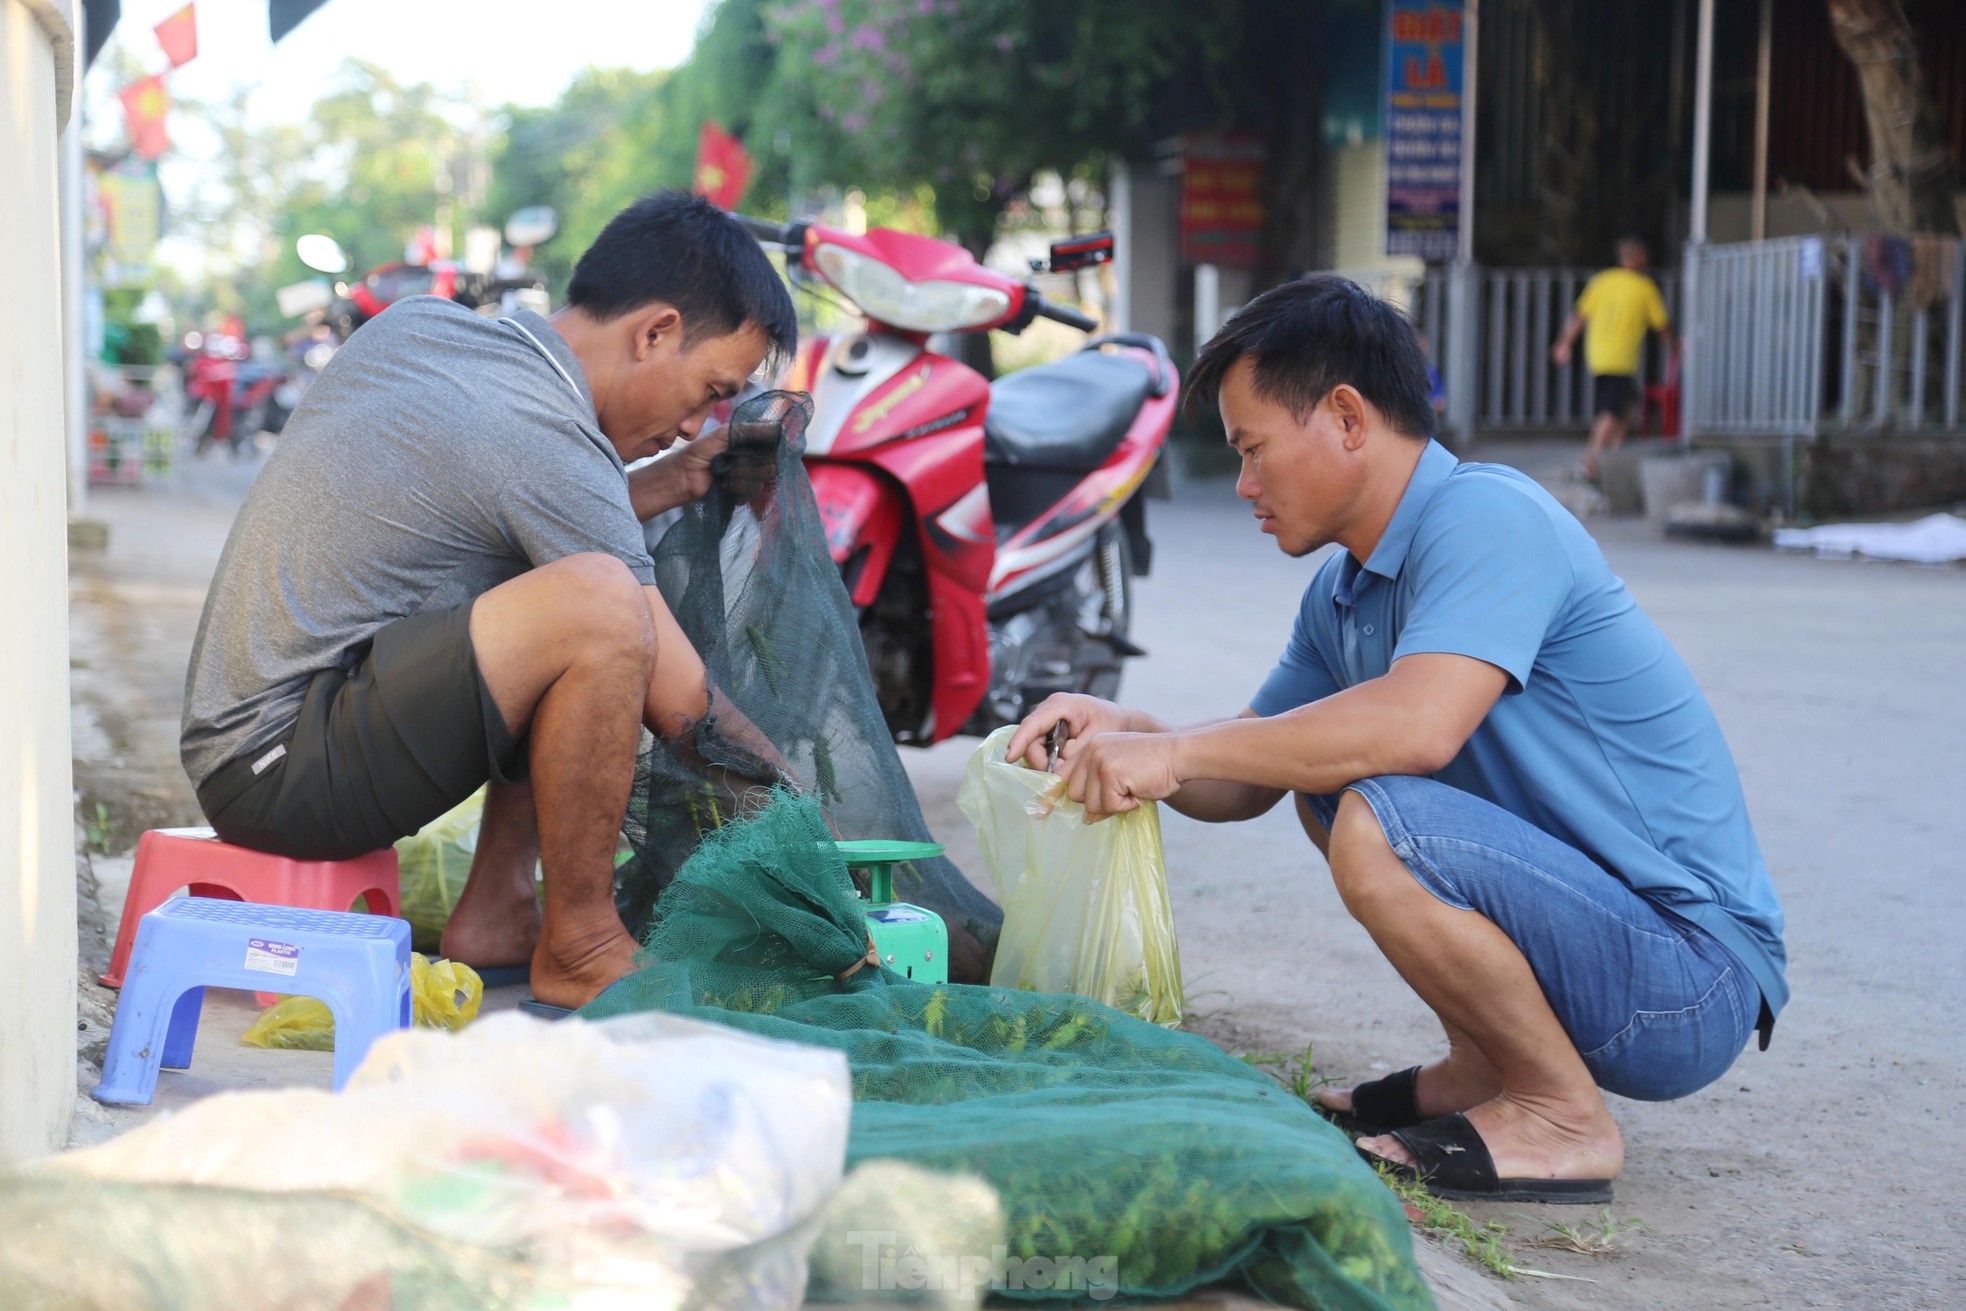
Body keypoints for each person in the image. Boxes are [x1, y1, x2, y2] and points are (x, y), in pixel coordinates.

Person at [1004, 275, 1786, 1202]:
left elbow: (1417, 724)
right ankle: (1489, 1068)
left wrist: (1173, 752)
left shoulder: (1489, 516)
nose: (1245, 486)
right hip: (1606, 939)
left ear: (1345, 416)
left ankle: (1561, 1115)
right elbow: (1254, 764)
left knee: (1378, 813)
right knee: (1324, 785)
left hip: (1691, 973)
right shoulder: (1343, 592)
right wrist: (1133, 731)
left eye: (1253, 450)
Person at [180, 191, 798, 1009]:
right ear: (654, 332)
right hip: (284, 776)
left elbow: (491, 502)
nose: (697, 427)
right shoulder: (544, 438)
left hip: (249, 740)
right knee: (603, 607)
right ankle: (582, 943)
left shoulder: (424, 329)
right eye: (708, 388)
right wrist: (801, 815)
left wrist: (662, 484)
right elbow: (683, 702)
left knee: (556, 585)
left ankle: (499, 911)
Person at [1551, 235, 1675, 481]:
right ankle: (1591, 458)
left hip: (1597, 354)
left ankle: (1614, 454)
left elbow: (1579, 316)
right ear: (1640, 258)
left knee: (1629, 402)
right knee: (1611, 408)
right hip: (1621, 357)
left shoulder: (1602, 281)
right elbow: (1661, 326)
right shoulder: (1644, 287)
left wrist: (1564, 343)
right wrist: (1675, 346)